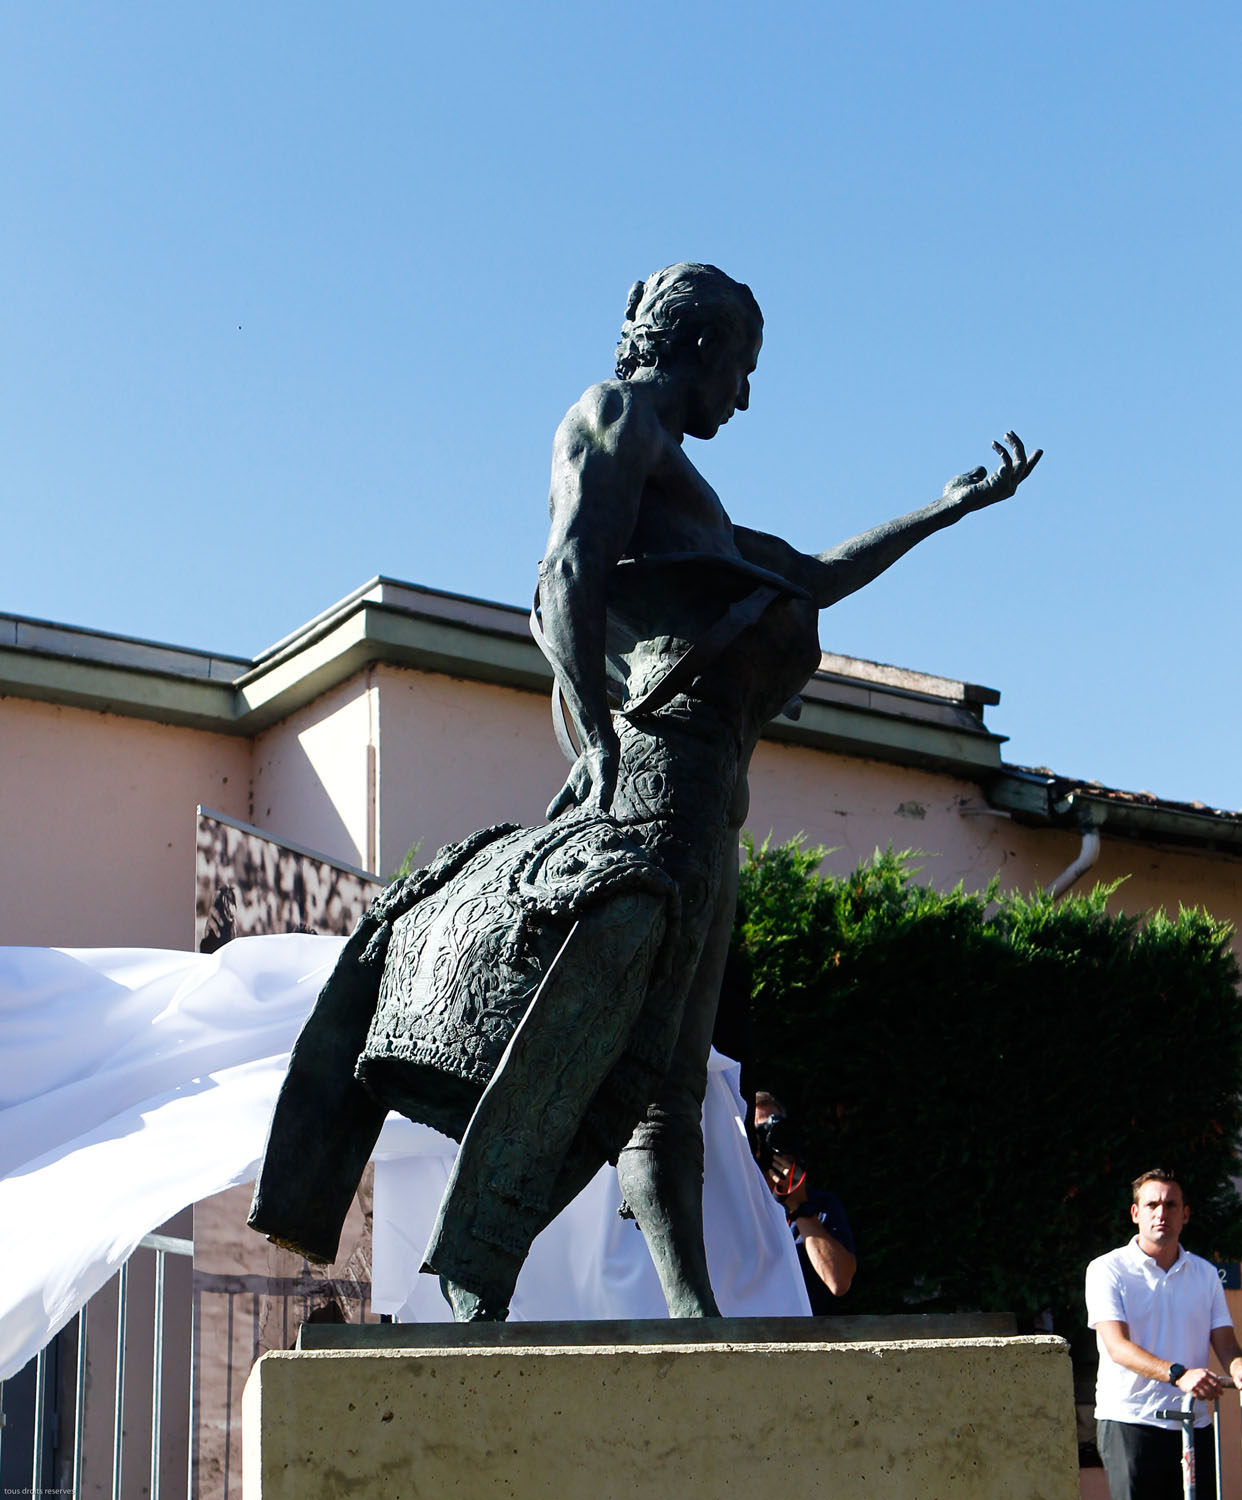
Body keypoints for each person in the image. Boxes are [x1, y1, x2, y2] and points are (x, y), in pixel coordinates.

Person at [250, 262, 1041, 1321]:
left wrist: (943, 512)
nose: (746, 397)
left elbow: (807, 573)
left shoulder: (693, 499)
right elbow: (568, 569)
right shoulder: (612, 414)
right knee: (617, 1056)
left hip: (713, 786)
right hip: (659, 764)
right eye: (745, 369)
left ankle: (688, 1304)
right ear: (703, 346)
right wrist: (596, 737)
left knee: (671, 1071)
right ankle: (488, 1271)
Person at [1086, 1168, 1242, 1500]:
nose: (1161, 1213)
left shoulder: (1205, 1274)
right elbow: (1118, 1347)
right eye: (1152, 1204)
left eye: (1171, 1205)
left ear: (1185, 1214)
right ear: (1135, 1213)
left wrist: (1238, 1368)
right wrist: (1179, 1374)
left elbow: (1226, 1344)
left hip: (1194, 1424)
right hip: (1130, 1421)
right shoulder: (1106, 1269)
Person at [753, 1091, 856, 1312]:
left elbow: (838, 1281)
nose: (769, 1141)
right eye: (759, 1134)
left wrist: (799, 1207)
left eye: (775, 1129)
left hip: (811, 1338)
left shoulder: (820, 1206)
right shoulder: (737, 1207)